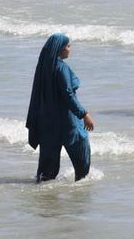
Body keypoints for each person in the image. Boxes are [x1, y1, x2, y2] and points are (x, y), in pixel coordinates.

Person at [26, 33, 94, 182]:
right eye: (68, 46)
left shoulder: (43, 68)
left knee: (46, 171)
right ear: (60, 49)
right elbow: (68, 95)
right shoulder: (61, 68)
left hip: (47, 123)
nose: (70, 49)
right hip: (66, 121)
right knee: (81, 149)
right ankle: (80, 187)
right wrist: (84, 114)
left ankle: (43, 192)